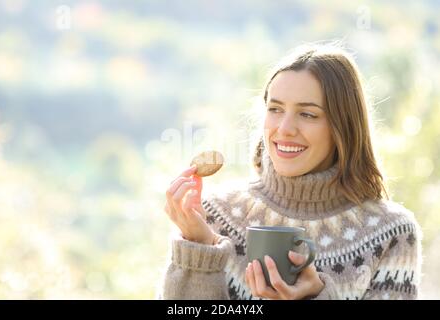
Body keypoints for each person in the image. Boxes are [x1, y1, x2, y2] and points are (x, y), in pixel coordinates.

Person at [159, 43, 422, 300]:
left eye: (307, 114)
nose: (284, 128)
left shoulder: (391, 234)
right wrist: (199, 249)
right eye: (275, 109)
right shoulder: (213, 216)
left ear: (343, 127)